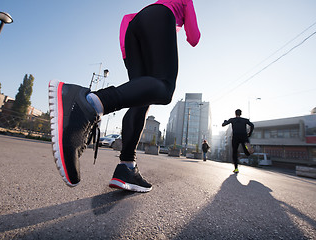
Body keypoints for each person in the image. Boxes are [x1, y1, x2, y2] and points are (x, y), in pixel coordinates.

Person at [48, 0, 201, 192]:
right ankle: (90, 103)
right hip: (160, 18)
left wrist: (128, 56)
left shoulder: (151, 8)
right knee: (164, 89)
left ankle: (126, 167)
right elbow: (194, 37)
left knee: (140, 101)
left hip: (131, 29)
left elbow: (127, 20)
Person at [222, 109, 254, 173]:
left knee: (234, 152)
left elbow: (223, 125)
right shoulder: (245, 120)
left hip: (235, 137)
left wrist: (225, 121)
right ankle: (247, 151)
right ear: (241, 114)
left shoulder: (232, 120)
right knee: (246, 149)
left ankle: (236, 168)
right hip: (244, 136)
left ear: (235, 114)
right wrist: (249, 133)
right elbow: (252, 125)